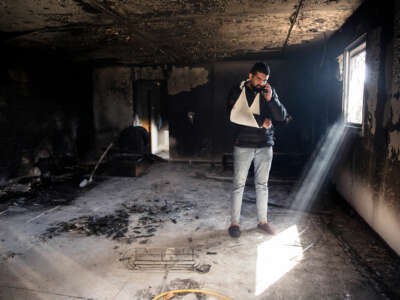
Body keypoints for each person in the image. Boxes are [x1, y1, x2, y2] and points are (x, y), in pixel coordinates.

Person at [226, 62, 287, 238]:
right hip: (243, 144)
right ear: (251, 76)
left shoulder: (269, 91)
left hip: (265, 145)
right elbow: (232, 114)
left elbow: (280, 116)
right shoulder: (237, 90)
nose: (262, 82)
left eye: (265, 79)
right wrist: (260, 123)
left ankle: (263, 222)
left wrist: (271, 100)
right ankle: (234, 224)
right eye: (259, 79)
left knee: (262, 185)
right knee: (239, 185)